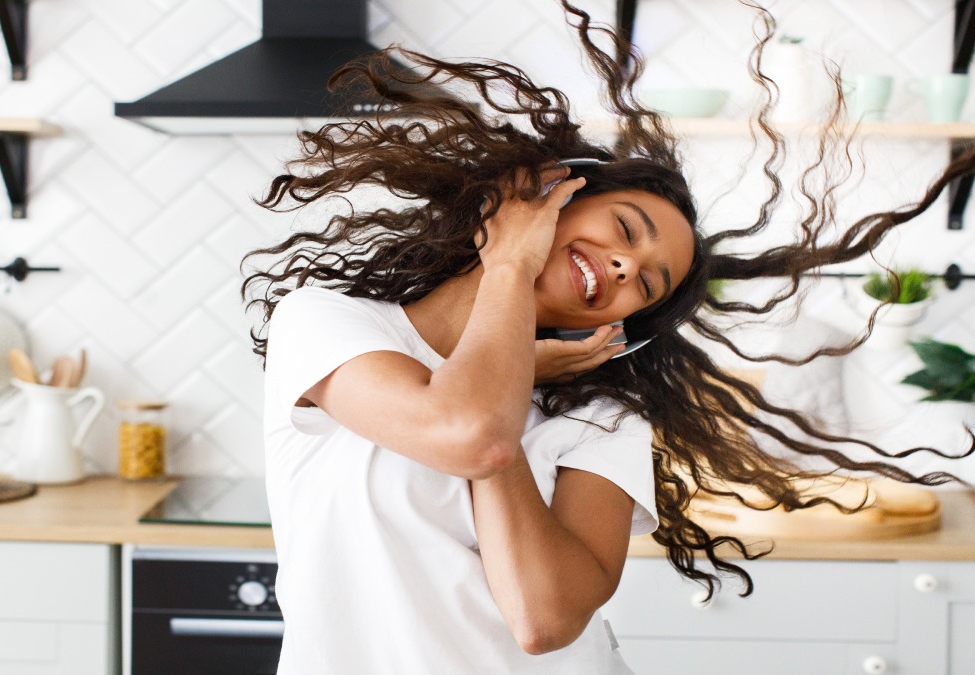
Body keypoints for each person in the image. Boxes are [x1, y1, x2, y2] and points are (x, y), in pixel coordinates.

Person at [241, 3, 972, 673]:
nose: (626, 266)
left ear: (616, 326)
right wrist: (508, 266)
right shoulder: (327, 323)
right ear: (549, 195)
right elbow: (464, 431)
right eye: (625, 229)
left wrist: (515, 350)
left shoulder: (604, 416)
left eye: (646, 284)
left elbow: (544, 619)